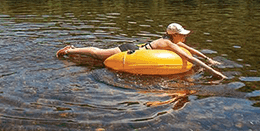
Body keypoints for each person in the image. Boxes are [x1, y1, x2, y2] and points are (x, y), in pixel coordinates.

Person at [56, 23, 227, 79]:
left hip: (135, 49)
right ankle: (70, 50)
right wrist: (214, 73)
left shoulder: (171, 41)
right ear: (174, 35)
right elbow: (192, 60)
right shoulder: (169, 44)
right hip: (129, 50)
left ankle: (73, 51)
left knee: (97, 58)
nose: (184, 38)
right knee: (97, 54)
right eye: (182, 35)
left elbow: (190, 50)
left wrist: (208, 58)